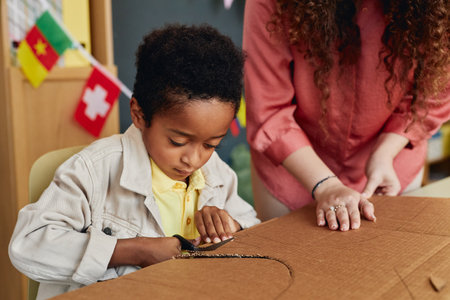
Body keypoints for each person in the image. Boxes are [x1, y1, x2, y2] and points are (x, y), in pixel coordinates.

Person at [9, 24, 260, 299]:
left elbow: (254, 228)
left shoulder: (216, 173)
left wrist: (232, 225)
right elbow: (27, 246)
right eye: (177, 142)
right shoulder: (95, 170)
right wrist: (133, 250)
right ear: (139, 114)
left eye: (211, 144)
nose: (194, 159)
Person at [243, 0, 450, 231]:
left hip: (392, 167)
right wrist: (325, 184)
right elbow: (268, 107)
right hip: (292, 170)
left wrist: (385, 152)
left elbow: (434, 92)